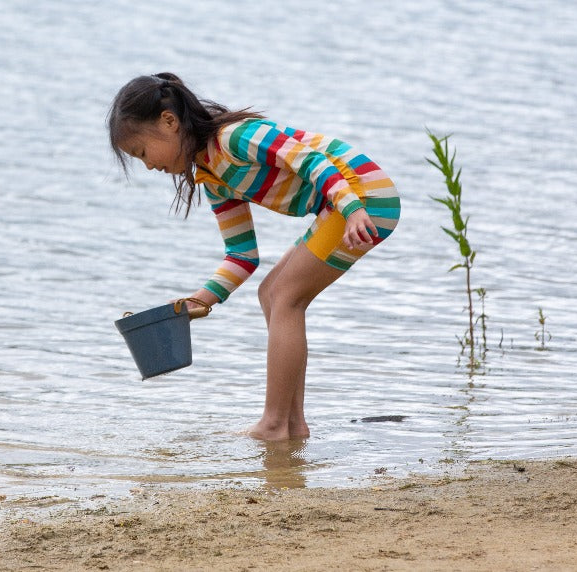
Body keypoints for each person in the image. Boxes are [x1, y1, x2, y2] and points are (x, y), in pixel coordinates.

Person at [107, 72, 400, 441]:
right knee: (270, 294)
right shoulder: (212, 176)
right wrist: (199, 300)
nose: (148, 165)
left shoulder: (236, 137)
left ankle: (274, 424)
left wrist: (352, 208)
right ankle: (293, 424)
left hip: (362, 198)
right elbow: (242, 254)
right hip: (343, 204)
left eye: (142, 153)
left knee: (286, 297)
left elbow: (311, 161)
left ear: (169, 121)